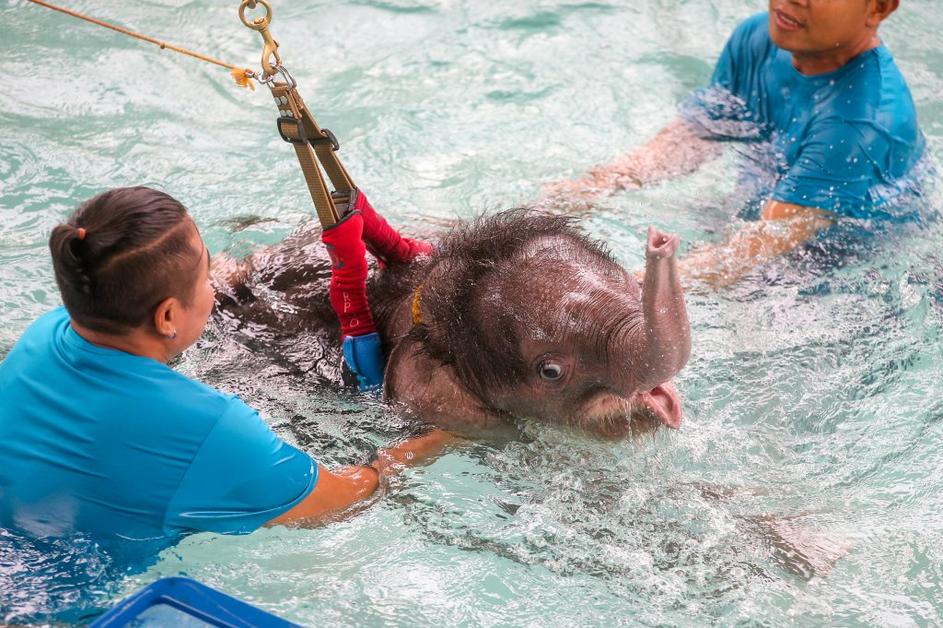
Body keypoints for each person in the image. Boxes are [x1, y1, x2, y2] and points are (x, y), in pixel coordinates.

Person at [0, 186, 448, 547]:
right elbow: (342, 500)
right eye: (204, 274)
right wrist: (428, 446)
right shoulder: (211, 428)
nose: (214, 284)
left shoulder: (42, 335)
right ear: (168, 317)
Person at [543, 0, 925, 285]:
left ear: (877, 9)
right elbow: (697, 135)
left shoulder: (860, 124)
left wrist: (621, 289)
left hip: (849, 270)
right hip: (767, 212)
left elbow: (755, 251)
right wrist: (593, 188)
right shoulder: (761, 37)